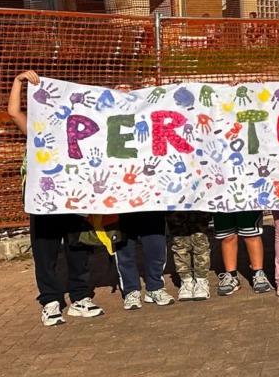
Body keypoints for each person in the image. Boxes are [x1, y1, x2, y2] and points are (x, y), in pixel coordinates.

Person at [9, 70, 104, 326]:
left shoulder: (80, 136)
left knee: (78, 250)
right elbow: (14, 113)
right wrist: (18, 82)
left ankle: (80, 298)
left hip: (74, 200)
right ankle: (50, 301)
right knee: (45, 253)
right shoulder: (37, 134)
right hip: (44, 202)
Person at [116, 210, 174, 310]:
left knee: (156, 247)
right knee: (125, 251)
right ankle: (131, 290)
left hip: (152, 206)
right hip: (122, 207)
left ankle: (155, 287)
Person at [216, 211, 271, 296]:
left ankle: (258, 273)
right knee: (227, 236)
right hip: (221, 202)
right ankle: (231, 275)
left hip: (246, 202)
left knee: (251, 234)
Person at [168, 211, 214, 301]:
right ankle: (186, 281)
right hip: (175, 208)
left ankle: (201, 280)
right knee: (180, 245)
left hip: (198, 207)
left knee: (200, 243)